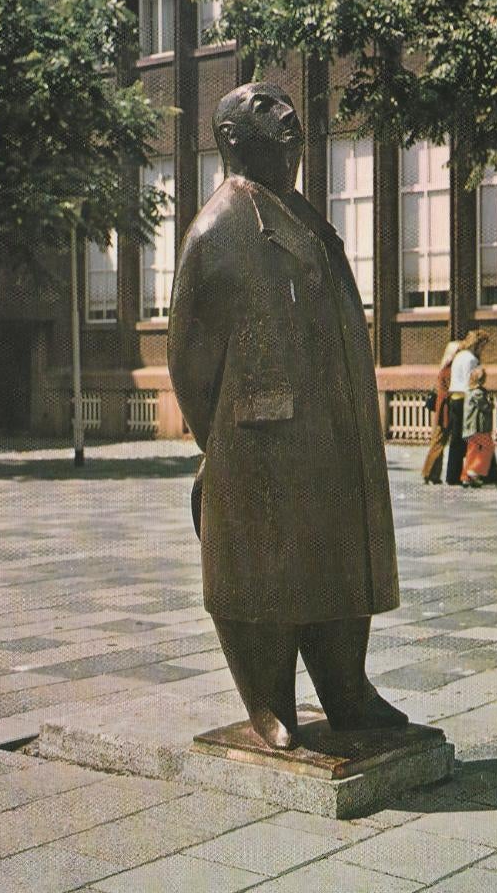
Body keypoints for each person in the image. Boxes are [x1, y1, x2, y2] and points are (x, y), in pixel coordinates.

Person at [168, 82, 407, 750]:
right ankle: (268, 700)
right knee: (264, 571)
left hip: (332, 431)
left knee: (339, 559)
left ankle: (346, 687)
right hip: (260, 439)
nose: (286, 112)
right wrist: (220, 441)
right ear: (232, 137)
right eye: (263, 106)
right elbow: (189, 358)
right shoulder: (218, 228)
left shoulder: (303, 215)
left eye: (283, 103)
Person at [445, 329, 489, 485]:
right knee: (469, 438)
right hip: (465, 399)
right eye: (483, 346)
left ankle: (452, 475)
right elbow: (472, 382)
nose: (483, 350)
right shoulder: (471, 360)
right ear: (478, 344)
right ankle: (467, 473)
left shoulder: (459, 356)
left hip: (454, 397)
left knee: (455, 439)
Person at [422, 340, 460, 484]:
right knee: (438, 442)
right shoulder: (449, 369)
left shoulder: (445, 367)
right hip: (445, 410)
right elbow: (450, 390)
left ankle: (434, 475)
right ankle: (427, 472)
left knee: (439, 442)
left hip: (443, 409)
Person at [461, 367, 495, 487]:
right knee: (487, 448)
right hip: (479, 427)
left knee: (471, 451)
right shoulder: (478, 393)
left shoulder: (469, 391)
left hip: (470, 428)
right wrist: (491, 404)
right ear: (481, 379)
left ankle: (466, 477)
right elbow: (486, 407)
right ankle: (474, 471)